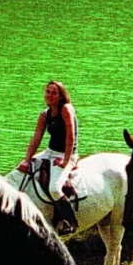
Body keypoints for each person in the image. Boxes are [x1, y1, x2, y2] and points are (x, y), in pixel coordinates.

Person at [19, 80, 79, 236]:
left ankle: (69, 221)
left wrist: (67, 161)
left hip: (67, 154)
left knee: (54, 187)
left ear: (60, 96)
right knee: (22, 172)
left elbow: (70, 137)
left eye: (54, 93)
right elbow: (37, 138)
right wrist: (27, 160)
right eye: (48, 92)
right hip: (50, 152)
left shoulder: (66, 109)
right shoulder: (44, 114)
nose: (50, 95)